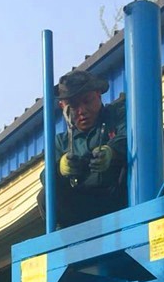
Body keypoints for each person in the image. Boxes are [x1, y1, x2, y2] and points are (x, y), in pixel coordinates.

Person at [37, 70, 127, 228]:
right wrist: (60, 169)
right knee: (45, 195)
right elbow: (46, 176)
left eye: (87, 101)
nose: (82, 111)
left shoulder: (118, 114)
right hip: (81, 211)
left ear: (98, 95)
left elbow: (130, 136)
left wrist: (111, 152)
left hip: (117, 202)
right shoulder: (60, 142)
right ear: (63, 107)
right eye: (74, 106)